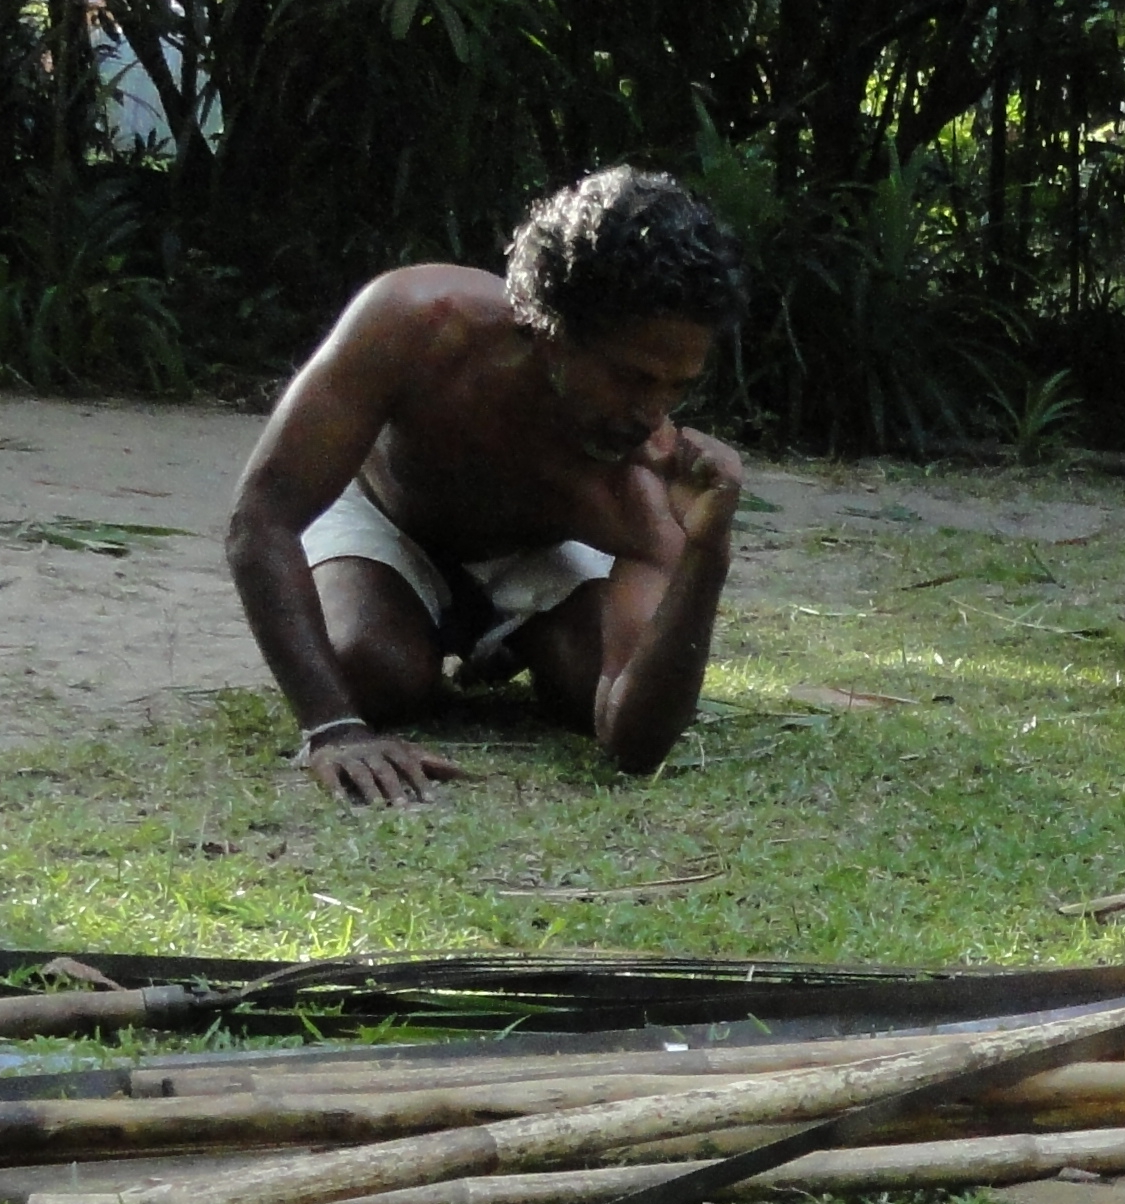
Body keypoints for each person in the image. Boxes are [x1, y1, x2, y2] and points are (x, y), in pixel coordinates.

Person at [224, 168, 754, 802]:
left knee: (591, 688)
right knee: (373, 668)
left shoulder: (638, 485)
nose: (650, 413)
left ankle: (509, 634)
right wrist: (334, 729)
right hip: (387, 518)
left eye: (678, 386)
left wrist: (708, 550)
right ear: (552, 327)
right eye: (631, 377)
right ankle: (453, 630)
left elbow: (634, 746)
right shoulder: (418, 322)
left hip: (543, 548)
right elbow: (262, 518)